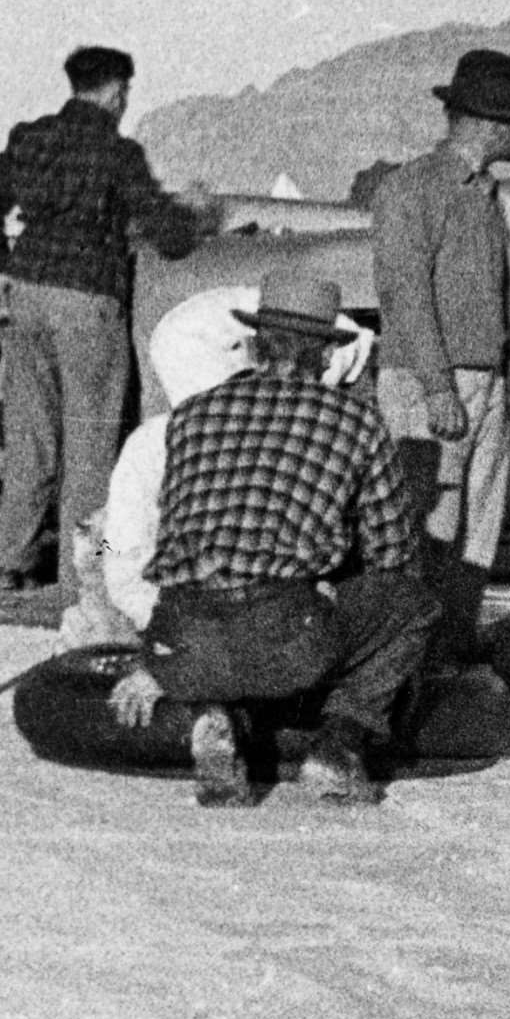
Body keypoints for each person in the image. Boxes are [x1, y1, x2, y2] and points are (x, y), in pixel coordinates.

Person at [109, 273, 438, 807]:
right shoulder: (354, 420)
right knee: (409, 604)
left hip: (174, 625)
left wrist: (97, 554)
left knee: (236, 636)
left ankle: (221, 716)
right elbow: (393, 555)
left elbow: (134, 539)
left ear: (255, 345)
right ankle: (338, 746)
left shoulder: (184, 420)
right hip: (278, 627)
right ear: (325, 355)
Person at [0, 44, 202, 602]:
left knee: (31, 437)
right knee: (90, 448)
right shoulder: (118, 153)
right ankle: (82, 579)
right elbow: (168, 235)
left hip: (27, 294)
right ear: (116, 91)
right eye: (126, 92)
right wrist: (193, 213)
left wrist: (3, 262)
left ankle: (12, 563)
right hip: (88, 299)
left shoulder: (30, 139)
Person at [370, 47, 510, 757]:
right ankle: (403, 668)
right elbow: (404, 292)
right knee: (428, 527)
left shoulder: (486, 195)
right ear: (488, 124)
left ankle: (452, 654)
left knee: (478, 526)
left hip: (484, 381)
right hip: (427, 382)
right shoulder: (411, 188)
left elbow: (504, 299)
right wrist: (438, 387)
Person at [93, 284, 376, 640]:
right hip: (261, 624)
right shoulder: (304, 437)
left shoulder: (150, 441)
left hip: (190, 622)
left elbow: (120, 555)